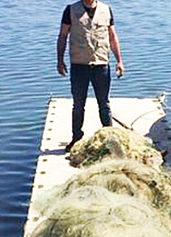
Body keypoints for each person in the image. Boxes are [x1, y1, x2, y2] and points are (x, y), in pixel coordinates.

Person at [57, 0, 125, 152]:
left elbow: (113, 37)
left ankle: (110, 139)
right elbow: (62, 36)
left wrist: (119, 61)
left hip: (101, 65)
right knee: (78, 104)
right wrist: (60, 60)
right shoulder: (70, 10)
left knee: (104, 104)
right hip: (79, 66)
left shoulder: (106, 10)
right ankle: (76, 137)